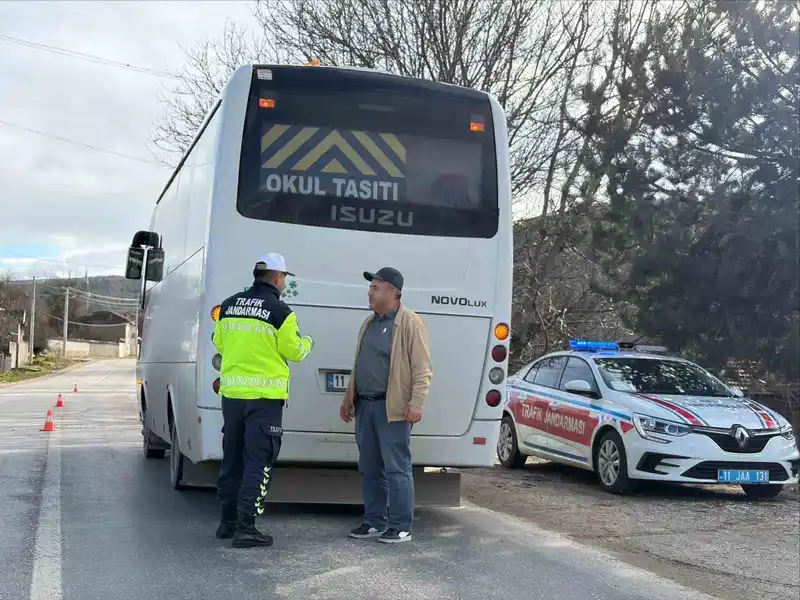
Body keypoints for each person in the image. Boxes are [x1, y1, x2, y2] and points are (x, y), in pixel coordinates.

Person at [212, 253, 314, 548]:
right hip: (264, 400)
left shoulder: (228, 306)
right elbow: (294, 351)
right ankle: (247, 528)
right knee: (258, 461)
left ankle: (227, 522)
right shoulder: (281, 311)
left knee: (232, 458)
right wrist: (307, 342)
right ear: (278, 278)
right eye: (284, 278)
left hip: (232, 397)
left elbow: (219, 343)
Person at [339, 266, 433, 543]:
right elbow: (359, 364)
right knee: (370, 467)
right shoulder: (369, 323)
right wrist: (349, 398)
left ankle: (401, 526)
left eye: (375, 288)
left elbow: (422, 369)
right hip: (365, 406)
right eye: (370, 288)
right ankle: (374, 522)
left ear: (393, 293)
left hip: (392, 409)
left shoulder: (410, 323)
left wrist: (416, 403)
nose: (369, 292)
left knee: (397, 468)